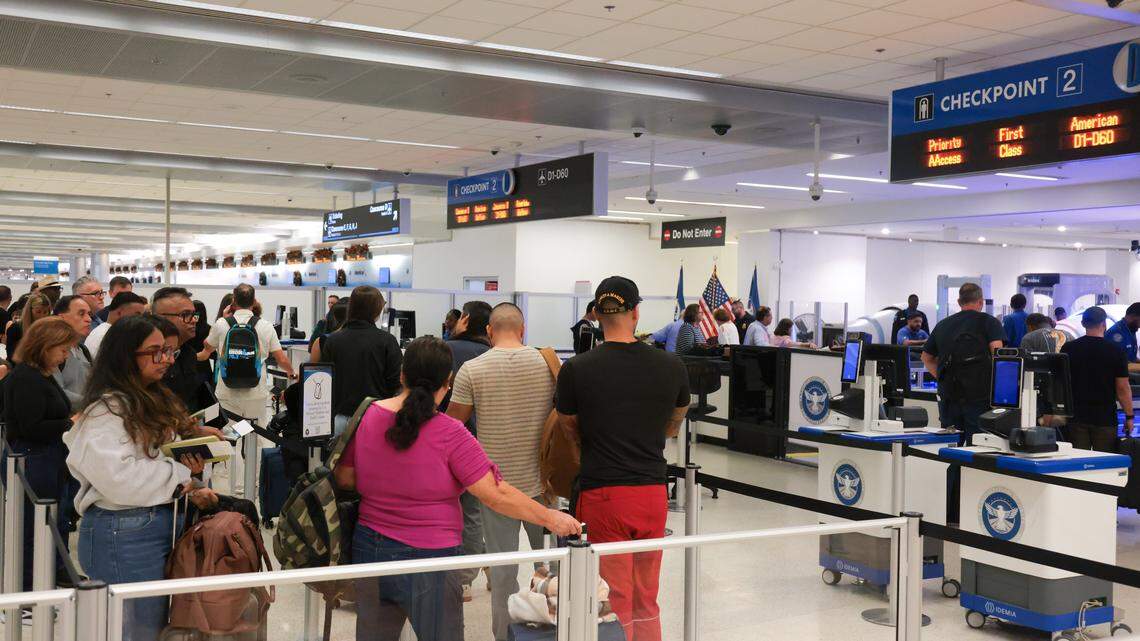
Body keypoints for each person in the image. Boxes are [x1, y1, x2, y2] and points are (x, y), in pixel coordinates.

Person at [334, 337, 579, 641]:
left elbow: (344, 477)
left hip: (371, 548)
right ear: (447, 383)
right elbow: (495, 493)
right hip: (433, 558)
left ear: (401, 375)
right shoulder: (451, 433)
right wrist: (551, 518)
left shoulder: (368, 417)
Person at [66, 315, 218, 641]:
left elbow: (146, 458)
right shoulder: (106, 410)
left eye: (167, 351)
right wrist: (178, 473)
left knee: (152, 625)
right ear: (125, 356)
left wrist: (186, 474)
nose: (165, 359)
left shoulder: (145, 398)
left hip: (151, 524)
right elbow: (120, 479)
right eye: (155, 352)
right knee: (137, 630)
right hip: (125, 532)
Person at [556, 276, 689, 641]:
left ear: (597, 314)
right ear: (636, 312)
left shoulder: (577, 369)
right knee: (646, 592)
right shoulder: (671, 365)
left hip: (604, 492)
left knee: (612, 594)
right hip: (651, 492)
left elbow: (569, 426)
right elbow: (675, 422)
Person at [446, 304, 555, 640]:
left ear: (490, 331)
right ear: (522, 329)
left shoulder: (471, 369)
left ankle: (504, 635)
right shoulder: (549, 364)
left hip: (495, 488)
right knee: (552, 565)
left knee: (503, 572)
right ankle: (554, 628)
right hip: (543, 485)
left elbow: (452, 425)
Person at [3, 317, 82, 591]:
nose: (65, 356)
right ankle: (24, 590)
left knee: (50, 524)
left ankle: (46, 579)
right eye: (62, 349)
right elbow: (31, 426)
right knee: (31, 528)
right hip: (32, 459)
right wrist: (72, 422)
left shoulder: (42, 376)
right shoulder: (26, 378)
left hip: (47, 456)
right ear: (44, 346)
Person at [438, 299, 493, 598]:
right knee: (474, 514)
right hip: (482, 444)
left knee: (450, 510)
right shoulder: (492, 355)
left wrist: (452, 337)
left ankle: (461, 576)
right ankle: (475, 573)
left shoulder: (447, 350)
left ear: (464, 320)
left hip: (445, 441)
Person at [200, 284, 295, 426]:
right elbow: (280, 358)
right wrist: (292, 372)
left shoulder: (221, 324)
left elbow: (207, 346)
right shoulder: (266, 326)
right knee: (257, 434)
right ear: (254, 301)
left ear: (234, 302)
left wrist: (223, 321)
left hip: (227, 391)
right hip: (256, 391)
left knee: (229, 434)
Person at [921, 283, 1005, 438]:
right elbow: (999, 356)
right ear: (981, 302)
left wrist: (941, 378)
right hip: (980, 397)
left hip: (949, 398)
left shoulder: (942, 325)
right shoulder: (989, 322)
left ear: (959, 302)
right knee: (978, 447)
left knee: (951, 445)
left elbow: (926, 358)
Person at [319, 285, 401, 434]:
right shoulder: (387, 341)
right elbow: (395, 382)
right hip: (376, 419)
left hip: (340, 419)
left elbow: (325, 381)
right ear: (376, 309)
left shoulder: (333, 340)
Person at [1060, 307, 1132, 451]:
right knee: (1104, 463)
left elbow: (1061, 382)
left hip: (1076, 416)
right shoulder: (1116, 351)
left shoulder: (1068, 348)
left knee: (1078, 462)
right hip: (1104, 418)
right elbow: (1122, 388)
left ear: (1083, 323)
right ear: (1104, 324)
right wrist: (1129, 416)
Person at [151, 287, 205, 412]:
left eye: (194, 315)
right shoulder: (150, 358)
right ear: (160, 317)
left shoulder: (189, 353)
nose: (193, 321)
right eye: (185, 315)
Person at [52, 295, 93, 404]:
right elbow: (55, 392)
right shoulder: (51, 351)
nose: (89, 319)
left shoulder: (83, 350)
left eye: (89, 314)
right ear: (61, 318)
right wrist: (90, 404)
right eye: (81, 314)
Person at [85, 292, 147, 358]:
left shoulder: (105, 331)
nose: (141, 320)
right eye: (137, 315)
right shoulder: (107, 336)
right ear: (119, 313)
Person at [4, 292, 52, 363]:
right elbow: (12, 356)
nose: (42, 316)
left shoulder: (49, 330)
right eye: (38, 312)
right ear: (29, 311)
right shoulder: (16, 328)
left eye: (45, 312)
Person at [308, 299, 348, 364]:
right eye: (329, 302)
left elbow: (313, 370)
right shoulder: (322, 326)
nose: (330, 304)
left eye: (332, 303)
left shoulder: (322, 340)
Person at [1106, 302, 1140, 371]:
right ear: (1133, 317)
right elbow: (1119, 364)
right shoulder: (1115, 334)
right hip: (1118, 377)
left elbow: (1132, 358)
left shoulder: (1131, 329)